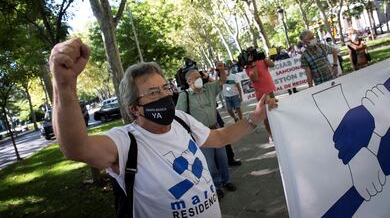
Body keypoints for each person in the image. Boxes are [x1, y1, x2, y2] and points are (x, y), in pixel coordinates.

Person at [49, 38, 277, 217]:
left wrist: (255, 118)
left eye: (165, 88)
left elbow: (219, 137)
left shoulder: (180, 120)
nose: (165, 95)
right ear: (134, 109)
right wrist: (64, 86)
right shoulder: (126, 142)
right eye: (153, 92)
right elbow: (76, 148)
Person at [175, 66, 236, 199]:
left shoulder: (208, 88)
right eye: (195, 78)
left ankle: (227, 181)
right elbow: (179, 116)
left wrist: (221, 70)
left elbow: (222, 81)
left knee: (223, 157)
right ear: (189, 82)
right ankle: (216, 185)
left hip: (216, 128)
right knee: (209, 162)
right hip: (201, 134)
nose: (199, 79)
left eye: (199, 76)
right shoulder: (185, 95)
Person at [244, 48, 277, 142]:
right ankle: (271, 135)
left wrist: (263, 57)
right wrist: (253, 65)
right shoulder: (248, 67)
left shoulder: (262, 61)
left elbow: (272, 64)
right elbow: (255, 78)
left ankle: (277, 131)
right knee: (266, 116)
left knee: (274, 111)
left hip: (270, 90)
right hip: (261, 94)